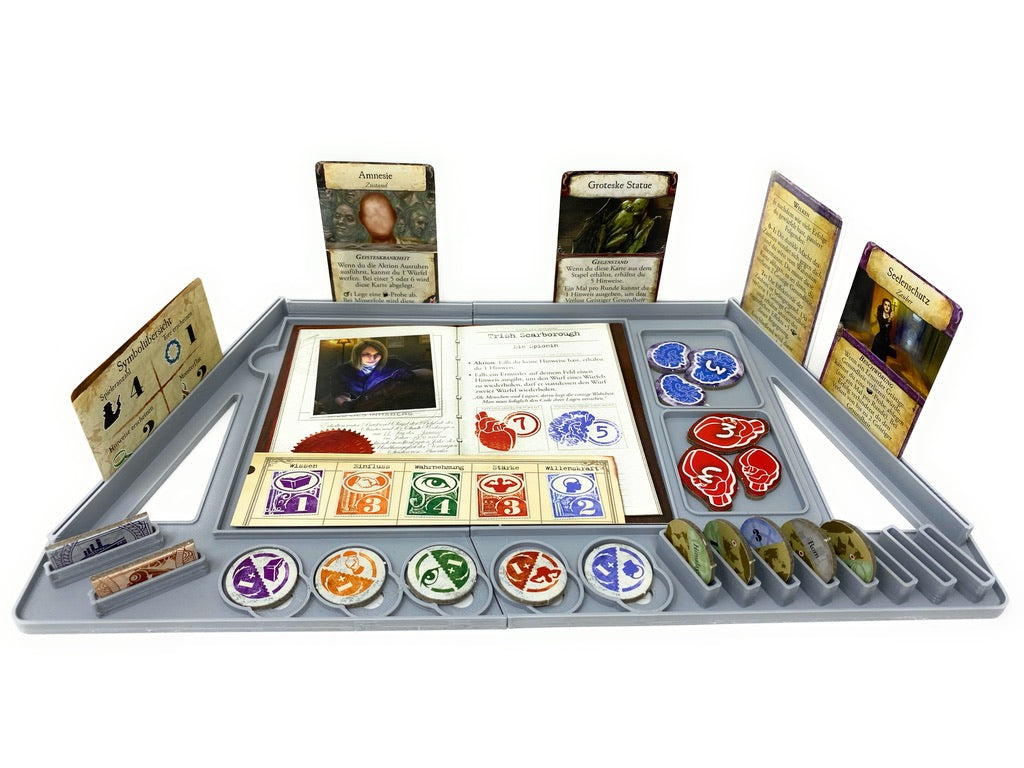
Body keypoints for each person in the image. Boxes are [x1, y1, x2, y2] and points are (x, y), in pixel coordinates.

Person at [334, 339, 414, 408]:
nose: (372, 358)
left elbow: (421, 370)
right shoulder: (343, 370)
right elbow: (337, 394)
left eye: (377, 354)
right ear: (357, 355)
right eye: (366, 354)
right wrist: (347, 404)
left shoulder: (393, 364)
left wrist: (412, 373)